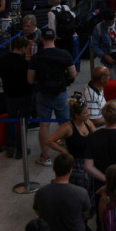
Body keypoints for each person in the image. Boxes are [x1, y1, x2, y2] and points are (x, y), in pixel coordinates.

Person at [28, 28, 77, 167]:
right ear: (55, 38)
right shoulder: (64, 55)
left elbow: (30, 80)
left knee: (44, 125)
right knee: (65, 124)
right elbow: (73, 74)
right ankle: (69, 153)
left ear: (42, 39)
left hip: (43, 95)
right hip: (61, 93)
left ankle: (46, 156)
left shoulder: (36, 57)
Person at [45, 95, 97, 207]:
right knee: (79, 191)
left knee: (91, 189)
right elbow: (49, 140)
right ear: (77, 116)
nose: (87, 115)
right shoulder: (68, 127)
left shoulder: (88, 123)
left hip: (90, 161)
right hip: (76, 164)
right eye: (85, 113)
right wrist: (63, 151)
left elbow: (96, 138)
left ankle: (88, 210)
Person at [83, 100, 116, 190]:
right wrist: (115, 183)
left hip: (100, 185)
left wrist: (107, 180)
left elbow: (88, 166)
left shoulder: (93, 137)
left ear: (104, 117)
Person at [0, 37, 32, 158]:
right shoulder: (25, 63)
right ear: (23, 48)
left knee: (11, 119)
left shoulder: (3, 60)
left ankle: (11, 147)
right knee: (23, 121)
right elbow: (31, 80)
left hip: (9, 95)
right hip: (25, 95)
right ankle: (21, 148)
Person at [32, 153, 90, 231]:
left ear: (54, 169)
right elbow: (85, 215)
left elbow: (38, 212)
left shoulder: (41, 192)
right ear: (70, 170)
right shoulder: (82, 193)